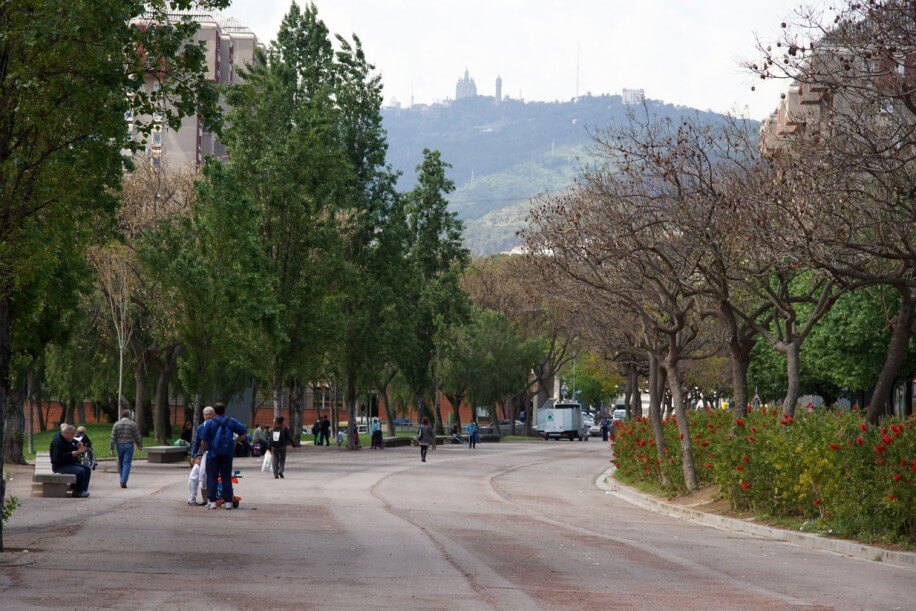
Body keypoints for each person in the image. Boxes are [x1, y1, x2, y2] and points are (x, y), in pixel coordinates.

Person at [198, 402, 247, 510]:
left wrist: (204, 451)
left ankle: (212, 502)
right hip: (227, 454)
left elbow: (203, 441)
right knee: (226, 477)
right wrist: (235, 442)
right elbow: (244, 433)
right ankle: (228, 502)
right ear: (224, 411)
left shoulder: (210, 423)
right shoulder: (231, 421)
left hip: (212, 454)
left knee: (212, 477)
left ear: (214, 412)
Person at [50, 425, 91, 498]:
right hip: (59, 466)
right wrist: (71, 454)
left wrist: (77, 444)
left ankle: (82, 490)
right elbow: (56, 458)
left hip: (68, 463)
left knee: (87, 469)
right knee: (80, 471)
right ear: (67, 433)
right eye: (73, 434)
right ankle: (77, 492)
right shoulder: (57, 441)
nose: (73, 436)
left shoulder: (65, 437)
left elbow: (71, 445)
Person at [187, 406, 214, 506]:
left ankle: (208, 499)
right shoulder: (201, 427)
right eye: (206, 414)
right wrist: (193, 456)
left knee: (205, 478)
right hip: (202, 456)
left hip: (212, 455)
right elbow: (197, 442)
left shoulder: (217, 426)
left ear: (213, 415)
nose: (208, 416)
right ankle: (192, 498)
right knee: (193, 475)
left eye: (210, 414)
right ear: (203, 416)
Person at [109, 410, 142, 489]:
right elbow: (137, 436)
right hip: (129, 445)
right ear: (129, 416)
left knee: (121, 463)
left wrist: (111, 448)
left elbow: (113, 436)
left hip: (119, 445)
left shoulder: (116, 424)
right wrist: (139, 445)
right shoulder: (133, 424)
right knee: (127, 463)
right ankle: (123, 481)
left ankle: (122, 479)